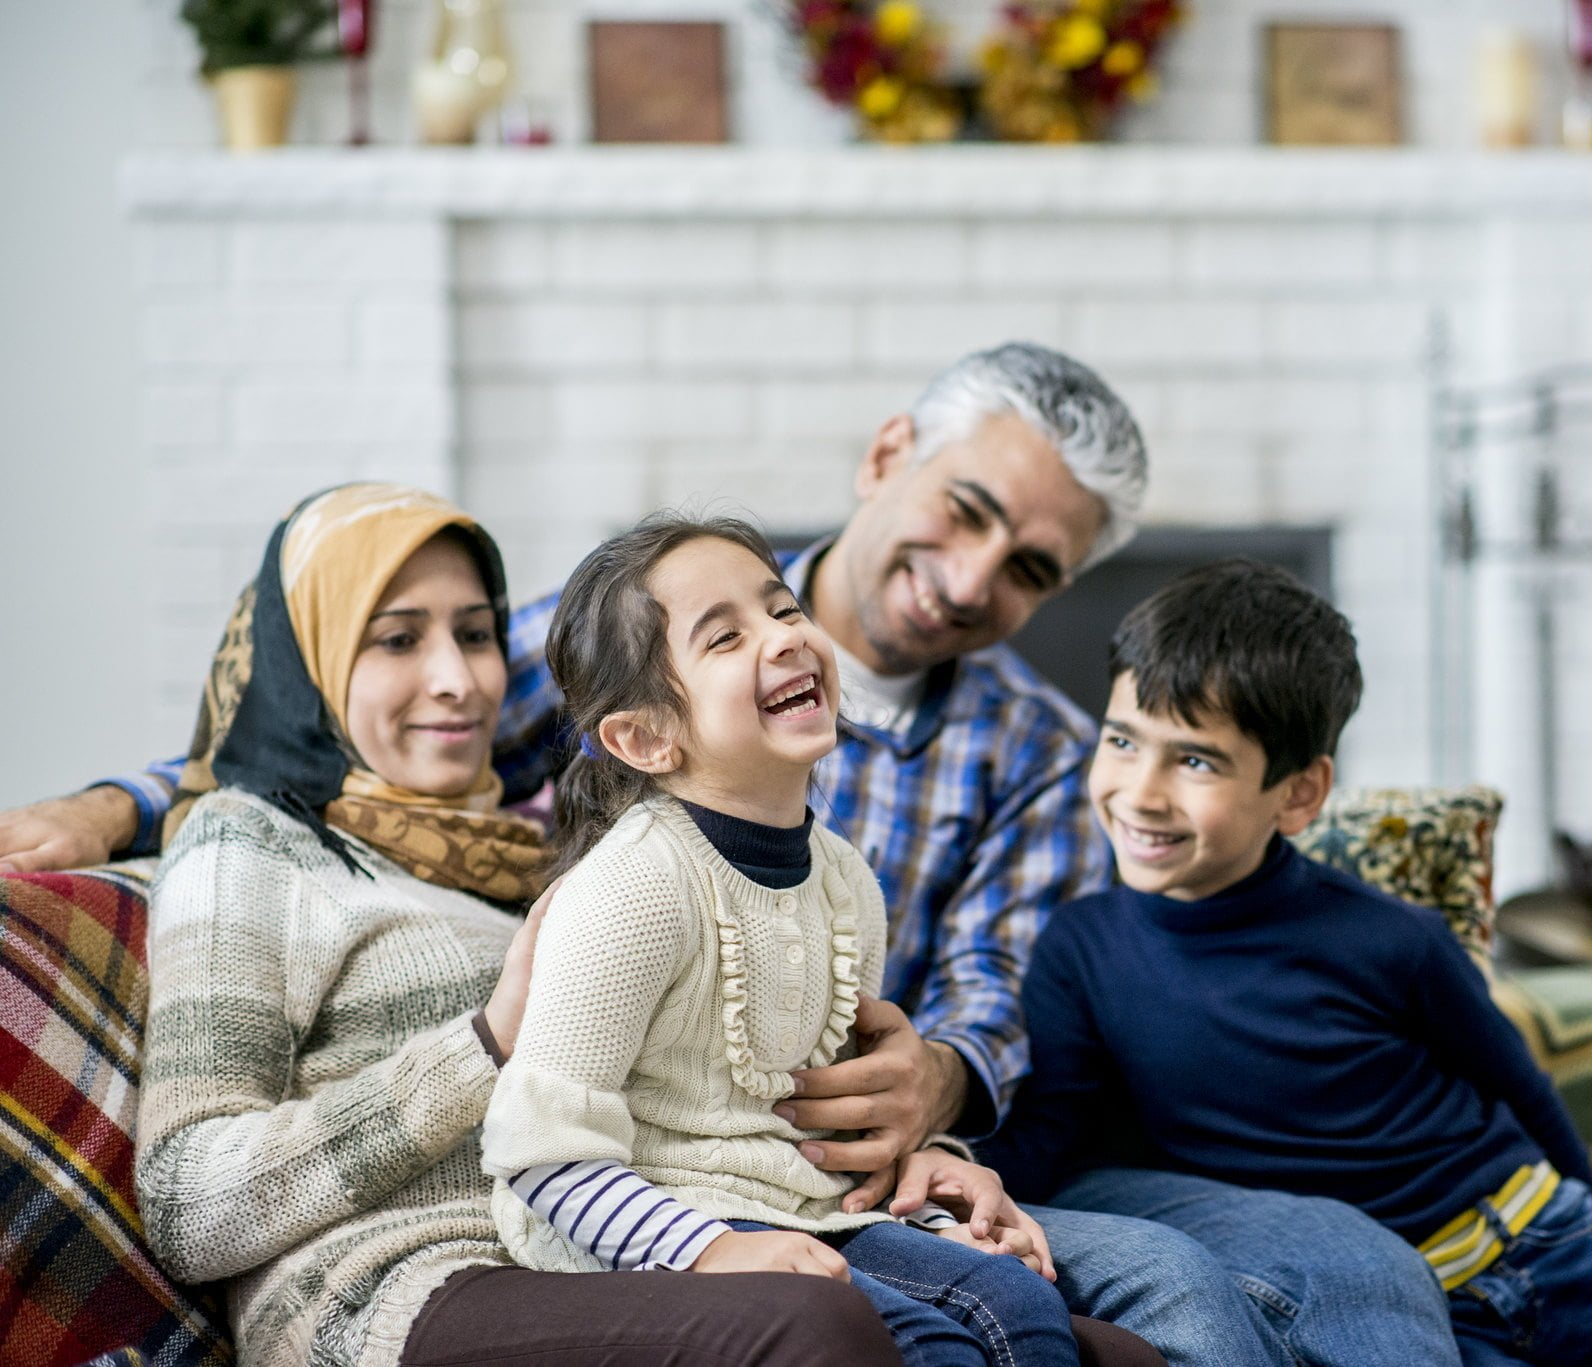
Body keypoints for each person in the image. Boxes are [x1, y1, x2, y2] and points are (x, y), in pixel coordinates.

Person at [21, 344, 1449, 1364]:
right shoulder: (584, 742)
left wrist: (937, 1095)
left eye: (1030, 571)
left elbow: (987, 990)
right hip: (557, 1229)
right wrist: (105, 808)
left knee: (1269, 1279)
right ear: (889, 456)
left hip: (814, 1168)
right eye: (965, 512)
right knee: (1073, 1300)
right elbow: (309, 733)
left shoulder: (544, 843)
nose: (969, 580)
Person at [136, 483, 902, 1367]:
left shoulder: (546, 844)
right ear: (308, 660)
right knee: (813, 1324)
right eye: (396, 638)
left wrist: (915, 1158)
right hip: (394, 1284)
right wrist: (483, 1044)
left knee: (1054, 1331)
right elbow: (188, 1203)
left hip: (601, 1246)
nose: (458, 678)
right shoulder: (250, 843)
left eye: (475, 633)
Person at [980, 559, 1592, 1366]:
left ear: (1298, 794)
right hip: (1407, 1307)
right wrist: (948, 1168)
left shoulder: (1390, 936)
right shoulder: (1080, 950)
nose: (1141, 792)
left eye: (1197, 761)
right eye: (1122, 741)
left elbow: (1519, 1085)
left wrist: (1588, 1217)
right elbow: (1058, 1135)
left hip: (1554, 1246)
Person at [478, 511, 1153, 1367]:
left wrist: (943, 1216)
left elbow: (832, 1142)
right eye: (725, 637)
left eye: (784, 609)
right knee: (922, 1342)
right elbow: (537, 1156)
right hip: (647, 1222)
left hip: (800, 1210)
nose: (784, 638)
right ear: (646, 735)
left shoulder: (846, 883)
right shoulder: (633, 888)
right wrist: (710, 1249)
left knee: (1017, 1301)